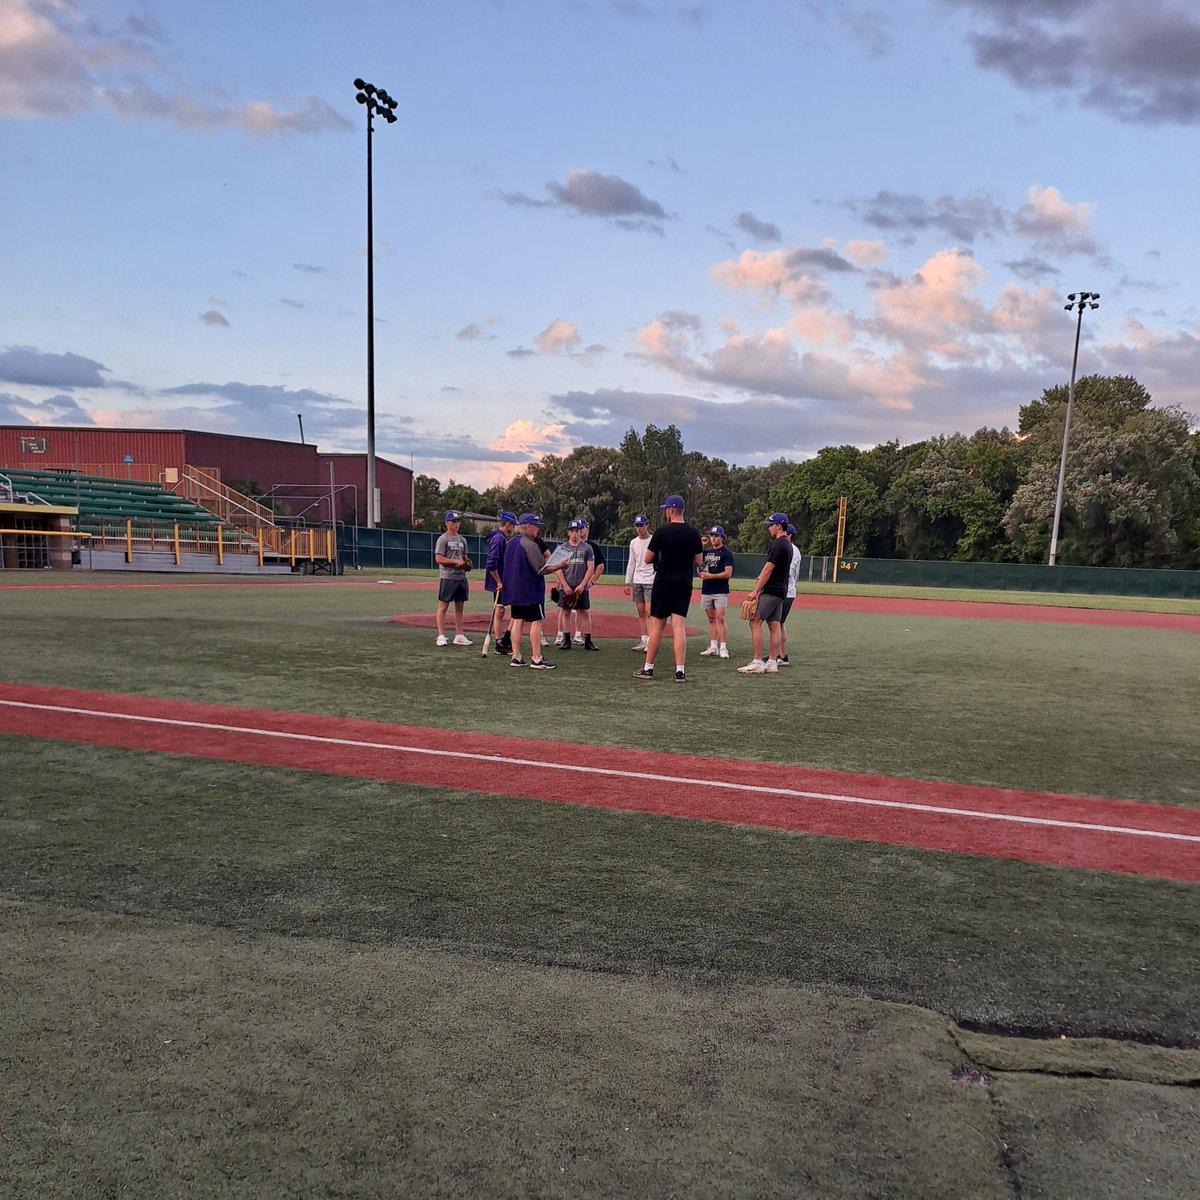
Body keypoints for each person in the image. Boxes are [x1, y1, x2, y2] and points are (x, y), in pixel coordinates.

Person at [633, 495, 702, 683]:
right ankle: (680, 671)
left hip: (663, 582)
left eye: (666, 509)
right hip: (684, 583)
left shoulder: (662, 532)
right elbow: (698, 562)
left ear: (671, 511)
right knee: (679, 626)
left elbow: (647, 559)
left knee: (658, 626)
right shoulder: (693, 533)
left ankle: (648, 668)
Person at [500, 514, 558, 669]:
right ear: (527, 526)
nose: (538, 528)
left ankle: (516, 656)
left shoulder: (511, 542)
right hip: (530, 590)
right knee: (536, 621)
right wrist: (561, 565)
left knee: (517, 621)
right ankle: (537, 658)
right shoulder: (530, 545)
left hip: (515, 589)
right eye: (536, 525)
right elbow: (541, 569)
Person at [737, 512, 791, 674]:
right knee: (774, 625)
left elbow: (769, 568)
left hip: (772, 590)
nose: (769, 528)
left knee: (754, 622)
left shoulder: (778, 544)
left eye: (771, 525)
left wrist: (756, 590)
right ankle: (772, 662)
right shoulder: (787, 544)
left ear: (778, 526)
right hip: (781, 589)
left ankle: (757, 661)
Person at [552, 520, 594, 651]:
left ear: (581, 532)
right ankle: (566, 640)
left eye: (577, 530)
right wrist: (564, 585)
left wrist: (583, 585)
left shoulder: (587, 548)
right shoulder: (562, 548)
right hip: (567, 586)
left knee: (585, 612)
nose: (575, 533)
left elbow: (590, 567)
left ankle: (588, 641)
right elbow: (557, 568)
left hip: (582, 587)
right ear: (568, 532)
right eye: (572, 531)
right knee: (566, 612)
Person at [434, 510, 472, 646]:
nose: (456, 524)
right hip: (448, 577)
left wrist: (467, 563)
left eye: (458, 521)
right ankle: (440, 635)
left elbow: (464, 557)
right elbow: (438, 558)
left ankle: (459, 635)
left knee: (460, 607)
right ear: (446, 523)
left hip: (461, 577)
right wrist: (455, 562)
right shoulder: (443, 539)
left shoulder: (462, 540)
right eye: (453, 521)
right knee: (443, 606)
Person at [698, 524, 735, 659]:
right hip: (707, 589)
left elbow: (728, 573)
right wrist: (701, 546)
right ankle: (713, 646)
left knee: (720, 617)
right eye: (712, 535)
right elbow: (699, 565)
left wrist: (711, 576)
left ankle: (723, 647)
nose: (713, 538)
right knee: (711, 618)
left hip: (720, 590)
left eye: (716, 536)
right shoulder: (706, 553)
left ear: (722, 538)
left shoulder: (726, 553)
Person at [485, 511, 518, 656]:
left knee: (501, 610)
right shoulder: (499, 539)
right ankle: (499, 642)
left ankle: (501, 641)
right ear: (509, 524)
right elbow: (491, 563)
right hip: (500, 581)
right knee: (500, 610)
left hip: (503, 580)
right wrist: (498, 581)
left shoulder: (501, 537)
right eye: (513, 525)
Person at [572, 518, 605, 650]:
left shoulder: (592, 546)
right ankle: (570, 635)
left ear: (587, 529)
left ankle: (583, 636)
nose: (580, 530)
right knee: (570, 609)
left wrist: (592, 581)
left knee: (583, 610)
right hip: (571, 581)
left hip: (584, 583)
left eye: (582, 528)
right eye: (578, 528)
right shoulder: (572, 544)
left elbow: (600, 565)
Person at [623, 514, 654, 652]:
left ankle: (651, 642)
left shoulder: (653, 540)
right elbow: (631, 563)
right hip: (638, 580)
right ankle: (644, 639)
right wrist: (627, 582)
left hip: (651, 580)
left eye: (642, 525)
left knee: (649, 612)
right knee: (641, 612)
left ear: (647, 525)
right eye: (637, 526)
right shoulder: (633, 542)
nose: (640, 528)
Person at [777, 523, 803, 667]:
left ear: (789, 535)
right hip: (784, 590)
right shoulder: (785, 548)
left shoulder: (793, 551)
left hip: (787, 591)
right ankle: (781, 656)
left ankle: (780, 656)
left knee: (777, 623)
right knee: (779, 623)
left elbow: (787, 572)